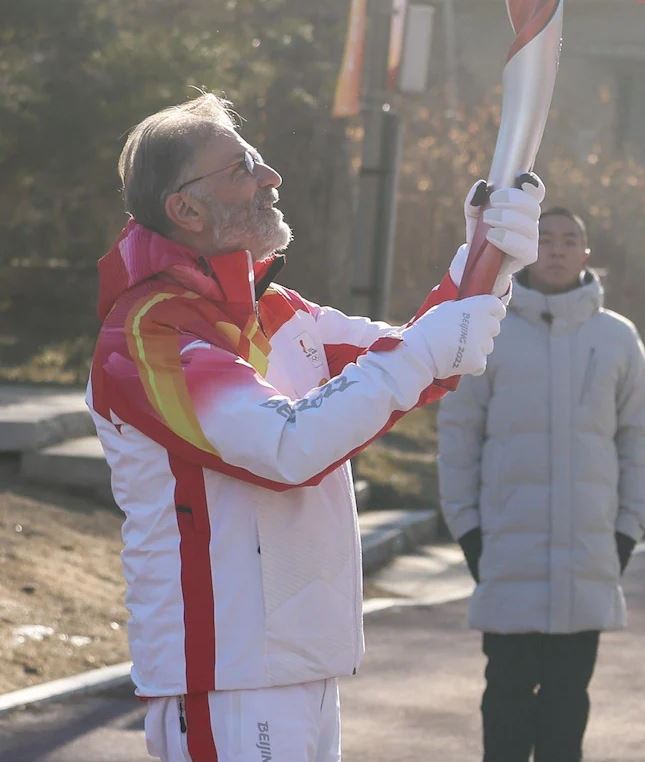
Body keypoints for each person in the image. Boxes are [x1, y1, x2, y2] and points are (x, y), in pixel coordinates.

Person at [87, 93, 544, 762]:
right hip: (226, 673)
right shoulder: (146, 336)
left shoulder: (275, 312)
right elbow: (288, 448)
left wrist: (486, 263)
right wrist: (429, 346)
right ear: (186, 209)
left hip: (301, 659)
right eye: (243, 168)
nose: (271, 176)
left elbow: (414, 358)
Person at [438, 206, 645, 762]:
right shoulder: (489, 329)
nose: (557, 249)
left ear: (587, 253)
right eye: (546, 239)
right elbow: (458, 436)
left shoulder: (617, 338)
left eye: (570, 239)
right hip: (506, 556)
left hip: (589, 556)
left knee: (567, 707)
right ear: (527, 251)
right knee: (506, 705)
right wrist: (469, 532)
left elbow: (639, 440)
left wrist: (626, 532)